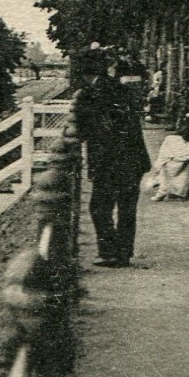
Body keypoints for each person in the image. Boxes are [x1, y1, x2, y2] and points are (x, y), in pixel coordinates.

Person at [72, 52, 151, 267]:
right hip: (134, 158)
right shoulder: (121, 89)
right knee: (126, 208)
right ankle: (123, 253)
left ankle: (108, 252)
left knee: (99, 207)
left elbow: (86, 129)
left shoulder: (91, 94)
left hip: (110, 160)